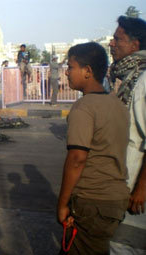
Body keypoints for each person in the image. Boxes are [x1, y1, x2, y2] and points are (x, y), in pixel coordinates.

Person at [57, 42, 130, 254]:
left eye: (71, 67)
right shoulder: (118, 104)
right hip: (114, 200)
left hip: (93, 201)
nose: (67, 73)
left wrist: (62, 204)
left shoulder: (84, 107)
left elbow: (77, 159)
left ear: (87, 71)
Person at [109, 16, 146, 254]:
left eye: (117, 38)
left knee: (124, 246)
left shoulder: (142, 81)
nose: (112, 43)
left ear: (135, 45)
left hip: (136, 189)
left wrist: (141, 187)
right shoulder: (128, 78)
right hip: (125, 181)